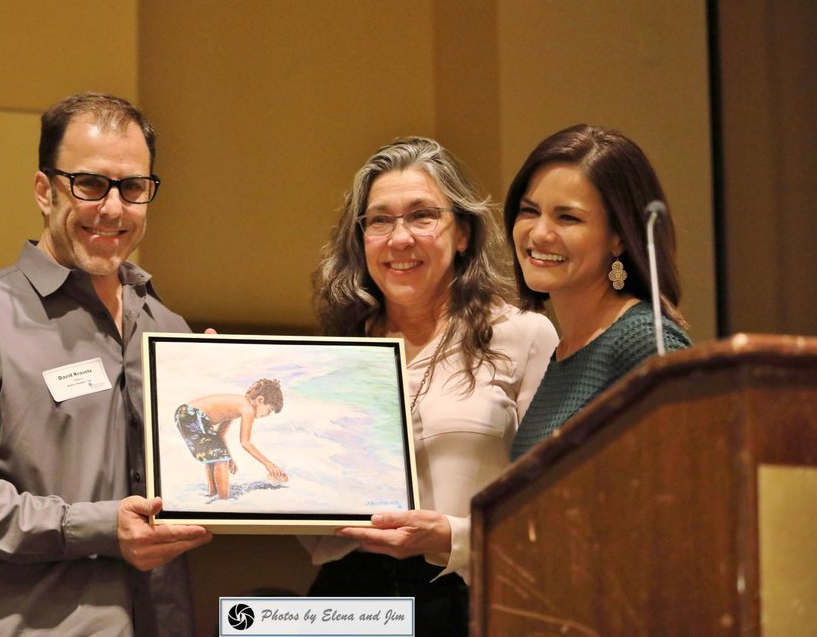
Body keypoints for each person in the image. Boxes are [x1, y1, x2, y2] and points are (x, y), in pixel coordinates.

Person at [0, 92, 213, 636]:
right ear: (45, 190)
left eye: (133, 188)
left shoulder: (170, 331)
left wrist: (218, 390)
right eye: (90, 184)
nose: (112, 208)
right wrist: (96, 526)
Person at [302, 136, 558, 636]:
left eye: (422, 215)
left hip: (467, 598)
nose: (400, 239)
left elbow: (551, 506)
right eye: (380, 220)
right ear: (362, 238)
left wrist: (450, 536)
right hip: (347, 601)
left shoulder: (524, 335)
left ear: (462, 232)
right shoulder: (337, 352)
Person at [504, 124, 693, 461]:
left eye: (568, 217)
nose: (540, 233)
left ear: (619, 236)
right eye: (529, 211)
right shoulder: (565, 350)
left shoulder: (642, 342)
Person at [175, 377, 288, 500]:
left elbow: (221, 434)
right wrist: (268, 464)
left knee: (214, 457)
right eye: (269, 410)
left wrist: (229, 458)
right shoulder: (248, 409)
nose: (267, 415)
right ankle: (223, 501)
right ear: (260, 400)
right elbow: (245, 442)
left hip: (186, 413)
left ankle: (213, 494)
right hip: (192, 414)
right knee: (220, 458)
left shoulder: (235, 407)